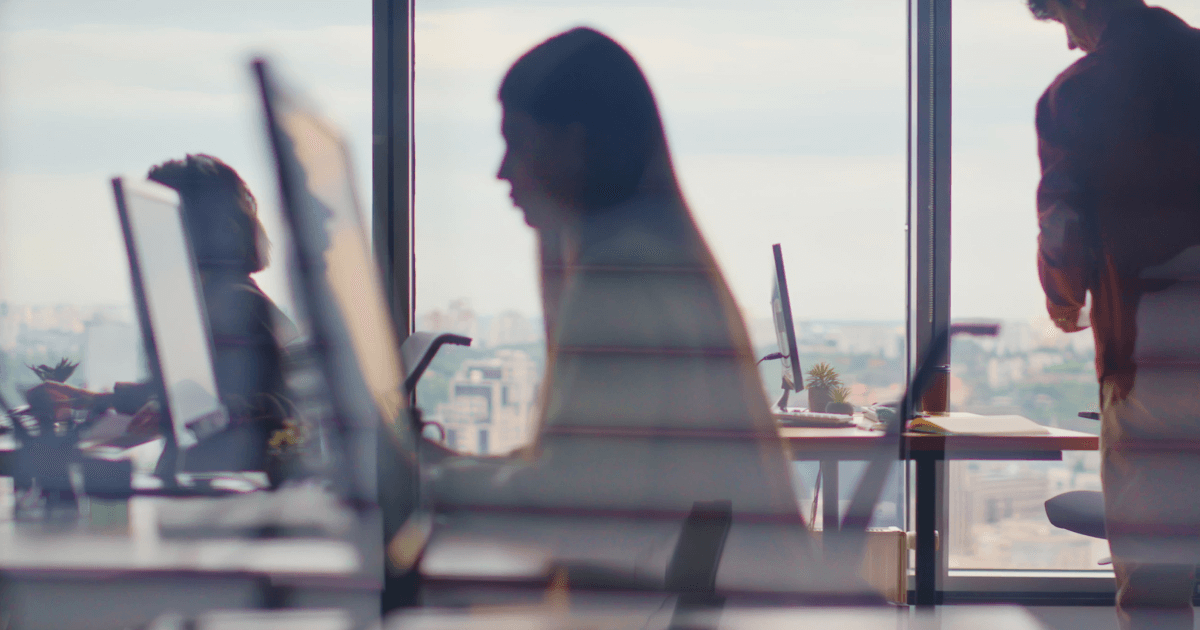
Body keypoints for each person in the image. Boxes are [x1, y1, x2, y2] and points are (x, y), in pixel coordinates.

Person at [432, 27, 847, 597]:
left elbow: (571, 505)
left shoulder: (620, 275)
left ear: (574, 144)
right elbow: (585, 474)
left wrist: (420, 479)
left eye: (518, 143)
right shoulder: (656, 253)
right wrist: (445, 470)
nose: (502, 171)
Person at [1029, 0, 1200, 627]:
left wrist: (1064, 300)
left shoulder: (1079, 94)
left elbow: (1065, 227)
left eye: (1060, 22)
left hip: (1154, 355)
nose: (1071, 43)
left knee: (1155, 583)